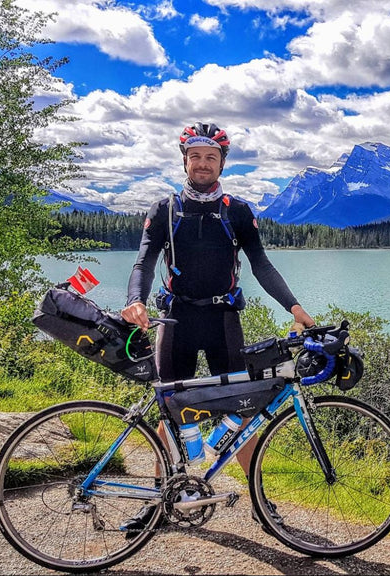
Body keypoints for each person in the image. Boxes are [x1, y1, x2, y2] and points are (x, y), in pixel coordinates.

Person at [120, 122, 314, 534]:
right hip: (175, 321)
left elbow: (261, 264)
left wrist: (294, 307)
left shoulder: (237, 210)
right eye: (195, 157)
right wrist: (134, 300)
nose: (203, 164)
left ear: (222, 162)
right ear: (185, 161)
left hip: (224, 319)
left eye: (211, 157)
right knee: (168, 412)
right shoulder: (165, 209)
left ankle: (261, 503)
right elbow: (144, 262)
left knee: (243, 411)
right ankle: (159, 499)